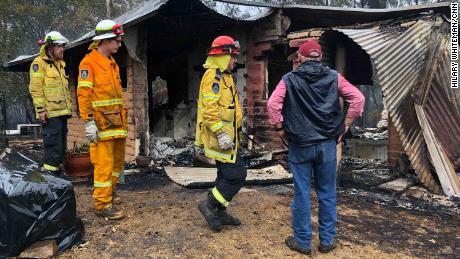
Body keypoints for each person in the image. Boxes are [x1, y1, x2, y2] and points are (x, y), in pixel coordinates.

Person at [267, 39, 365, 255]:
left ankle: (302, 243)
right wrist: (346, 125)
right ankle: (327, 241)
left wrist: (280, 129)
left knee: (302, 193)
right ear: (320, 57)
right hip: (327, 145)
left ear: (299, 58)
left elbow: (273, 104)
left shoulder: (289, 79)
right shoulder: (333, 77)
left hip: (300, 145)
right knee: (327, 193)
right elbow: (358, 99)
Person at [195, 36, 247, 231]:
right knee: (237, 175)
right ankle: (209, 205)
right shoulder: (212, 77)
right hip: (220, 139)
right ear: (222, 56)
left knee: (225, 175)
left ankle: (220, 211)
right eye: (232, 57)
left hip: (228, 137)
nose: (235, 61)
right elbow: (209, 111)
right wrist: (222, 134)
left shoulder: (225, 76)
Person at [77, 19, 127, 220]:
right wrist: (88, 121)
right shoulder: (88, 63)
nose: (119, 44)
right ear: (105, 40)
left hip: (117, 124)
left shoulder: (112, 63)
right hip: (101, 125)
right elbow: (84, 94)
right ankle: (102, 204)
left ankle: (110, 194)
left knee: (117, 163)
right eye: (117, 40)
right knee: (104, 165)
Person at [29, 31, 71, 176]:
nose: (62, 50)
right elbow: (36, 89)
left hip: (62, 113)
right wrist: (41, 110)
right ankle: (50, 179)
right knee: (53, 148)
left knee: (61, 149)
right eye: (60, 47)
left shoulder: (60, 64)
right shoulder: (38, 64)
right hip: (50, 114)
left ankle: (58, 178)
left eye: (63, 46)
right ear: (50, 47)